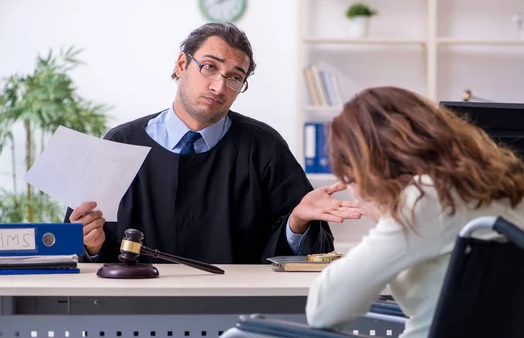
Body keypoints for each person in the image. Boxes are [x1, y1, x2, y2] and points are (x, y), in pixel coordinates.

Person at [305, 86, 524, 338]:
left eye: (351, 175)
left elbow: (324, 310)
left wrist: (382, 213)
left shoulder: (425, 200)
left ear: (371, 162)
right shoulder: (504, 188)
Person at [65, 22, 362, 265]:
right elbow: (82, 246)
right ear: (182, 64)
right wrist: (91, 245)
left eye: (235, 77)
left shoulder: (264, 148)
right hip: (136, 315)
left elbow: (303, 253)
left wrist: (296, 221)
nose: (219, 86)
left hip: (235, 315)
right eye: (209, 67)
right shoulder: (120, 144)